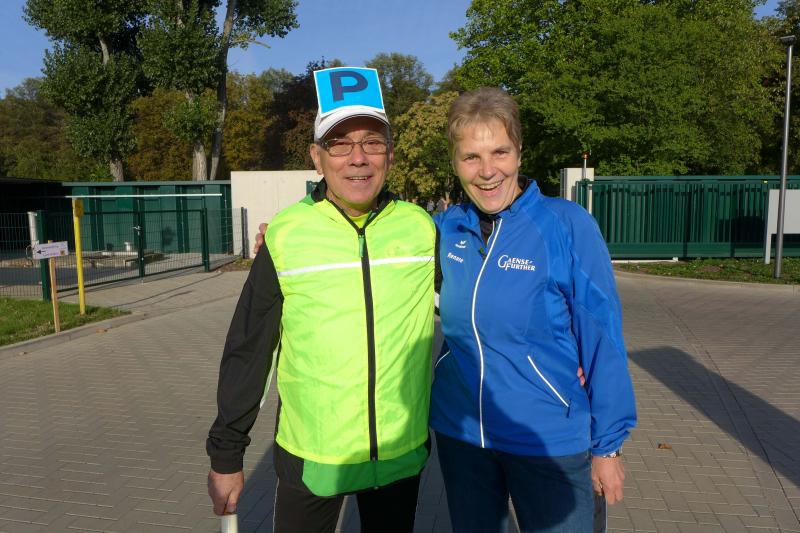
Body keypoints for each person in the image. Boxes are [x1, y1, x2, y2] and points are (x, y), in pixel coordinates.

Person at [206, 66, 436, 533]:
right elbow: (250, 348)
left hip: (400, 452)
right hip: (312, 457)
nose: (358, 158)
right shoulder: (287, 233)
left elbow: (481, 304)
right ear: (316, 157)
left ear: (390, 155)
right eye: (339, 144)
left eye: (372, 142)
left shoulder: (422, 228)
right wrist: (227, 454)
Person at [430, 87, 636, 532]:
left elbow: (602, 338)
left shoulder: (566, 225)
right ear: (455, 162)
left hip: (548, 437)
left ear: (520, 153)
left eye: (499, 152)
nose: (487, 171)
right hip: (462, 435)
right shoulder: (445, 229)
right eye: (471, 157)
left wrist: (608, 446)